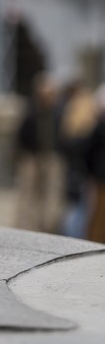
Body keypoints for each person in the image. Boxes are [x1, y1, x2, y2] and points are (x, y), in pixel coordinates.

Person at [13, 74, 62, 233]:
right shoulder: (31, 111)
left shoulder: (58, 112)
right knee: (27, 193)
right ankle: (24, 226)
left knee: (49, 193)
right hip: (31, 157)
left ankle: (45, 227)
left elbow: (63, 135)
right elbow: (21, 135)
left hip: (51, 156)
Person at [58, 84, 97, 238]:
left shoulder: (68, 127)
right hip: (83, 173)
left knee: (72, 207)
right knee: (81, 210)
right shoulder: (88, 132)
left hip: (71, 171)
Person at [83, 85, 105, 243]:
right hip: (100, 176)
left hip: (98, 175)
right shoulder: (100, 126)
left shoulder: (99, 125)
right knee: (98, 213)